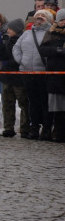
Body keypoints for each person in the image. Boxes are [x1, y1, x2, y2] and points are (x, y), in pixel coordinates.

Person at [14, 8, 52, 140]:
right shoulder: (27, 33)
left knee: (45, 101)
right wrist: (21, 61)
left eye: (43, 16)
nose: (39, 17)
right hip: (27, 72)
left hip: (43, 72)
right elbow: (16, 48)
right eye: (38, 15)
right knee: (32, 101)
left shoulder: (50, 33)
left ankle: (46, 129)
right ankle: (34, 128)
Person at [37, 12, 65, 142]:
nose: (63, 22)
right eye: (62, 20)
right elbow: (42, 50)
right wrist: (57, 51)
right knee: (57, 109)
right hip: (54, 77)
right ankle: (59, 134)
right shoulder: (51, 33)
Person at [0, 19, 29, 138]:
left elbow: (18, 58)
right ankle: (8, 127)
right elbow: (3, 56)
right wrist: (1, 43)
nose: (8, 30)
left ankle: (25, 128)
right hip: (7, 76)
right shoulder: (8, 40)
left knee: (23, 103)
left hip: (18, 77)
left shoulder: (22, 41)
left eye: (10, 28)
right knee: (7, 103)